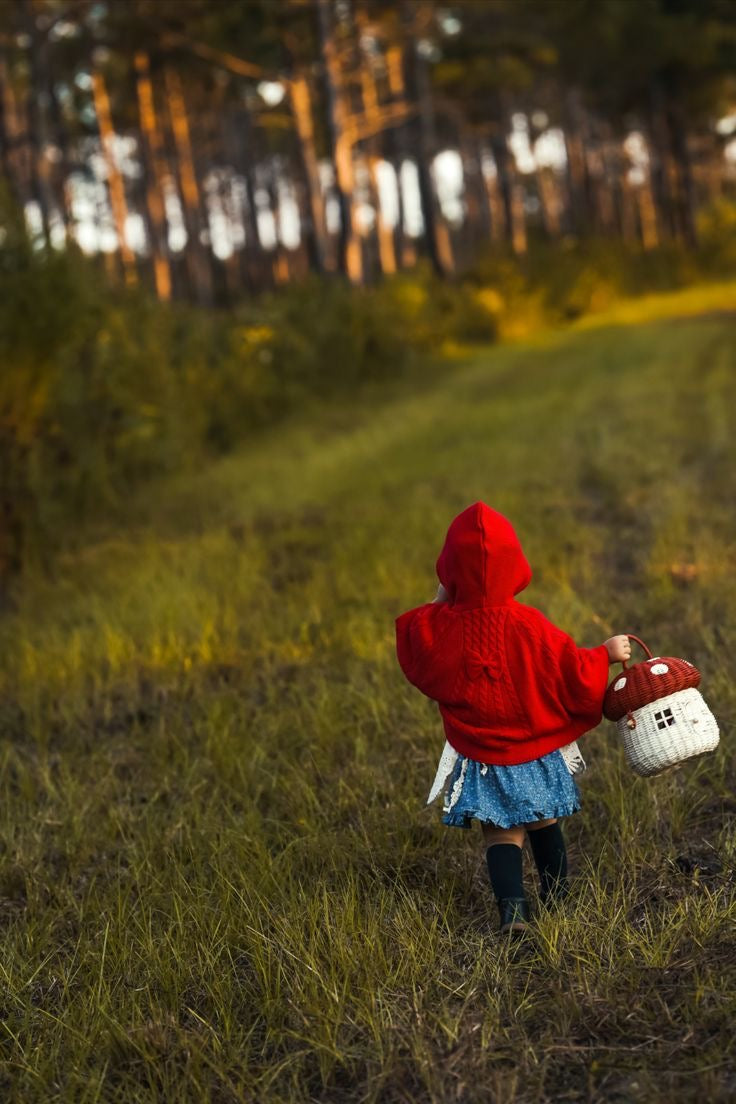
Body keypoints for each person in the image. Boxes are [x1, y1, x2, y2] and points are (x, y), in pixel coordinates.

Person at [395, 502, 630, 937]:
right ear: (515, 564)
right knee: (543, 822)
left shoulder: (445, 627)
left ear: (449, 570)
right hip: (533, 751)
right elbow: (570, 669)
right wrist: (605, 654)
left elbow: (418, 640)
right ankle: (558, 901)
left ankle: (514, 913)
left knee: (501, 834)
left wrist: (445, 595)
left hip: (484, 757)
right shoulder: (530, 625)